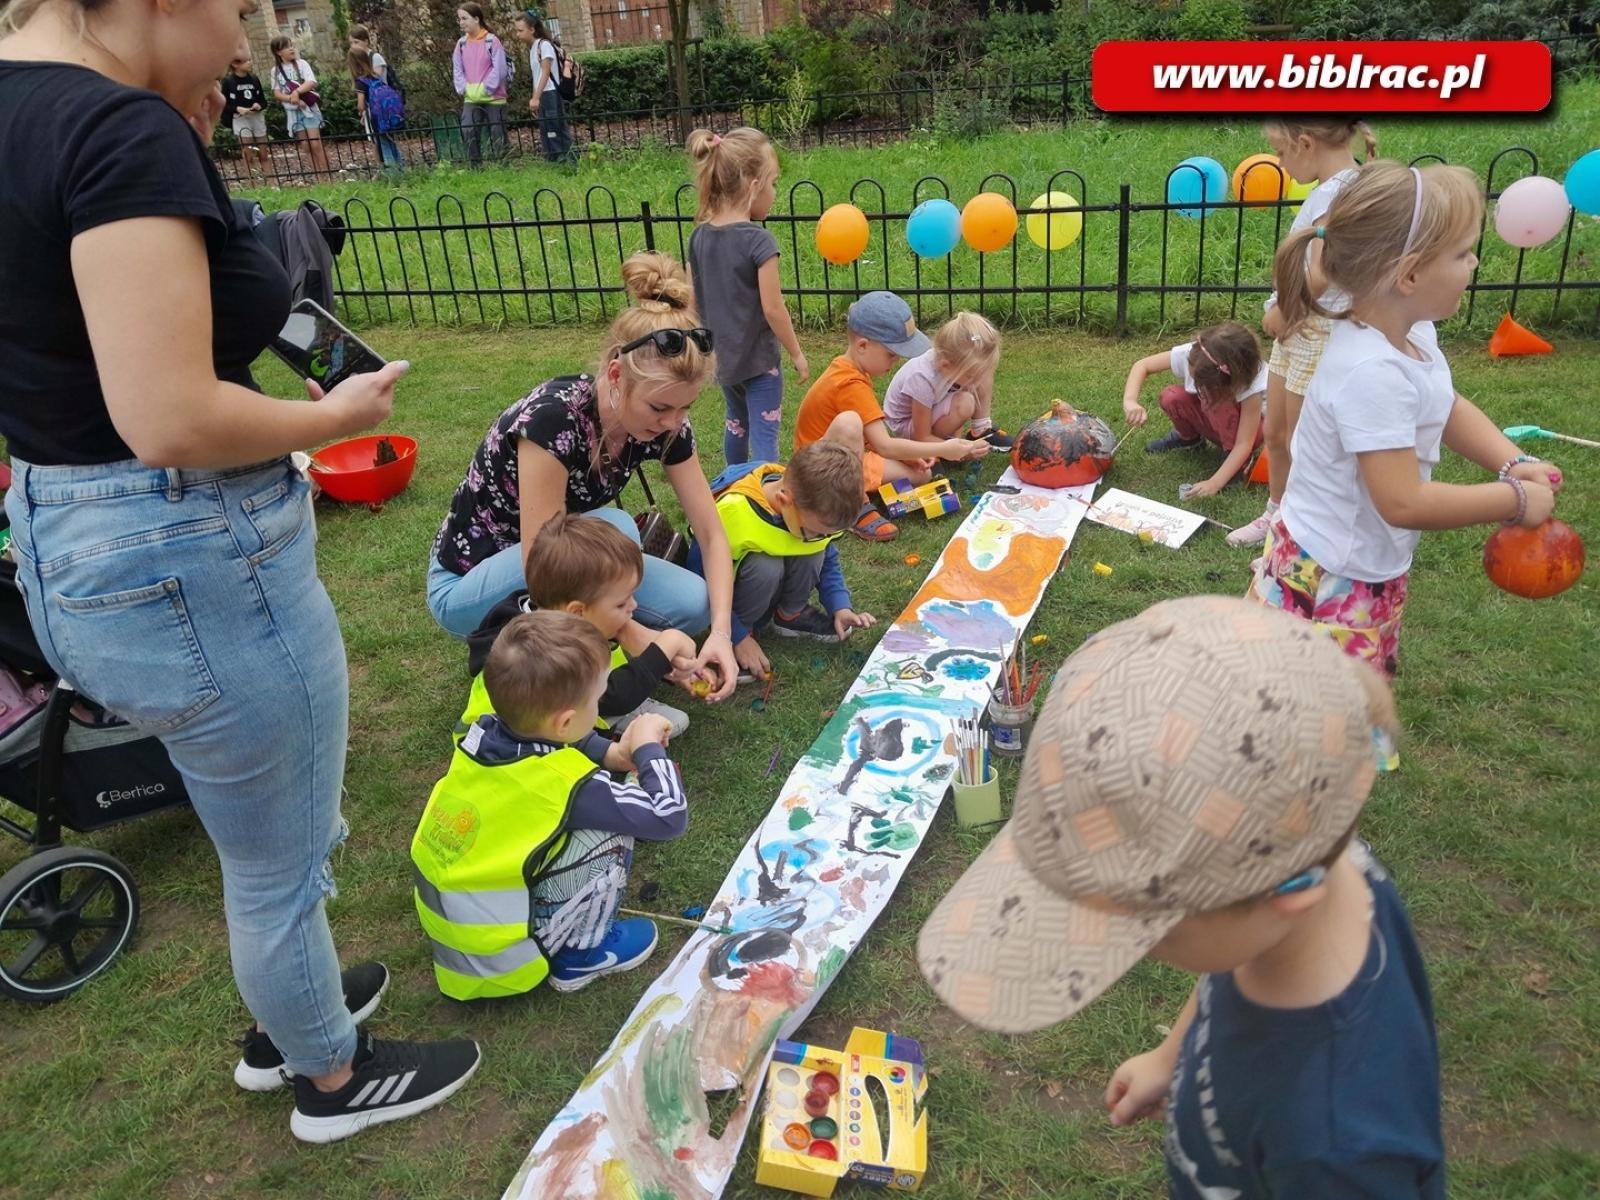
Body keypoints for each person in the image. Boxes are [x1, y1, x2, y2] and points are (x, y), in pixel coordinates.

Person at [0, 0, 477, 1144]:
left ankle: (297, 1004)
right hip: (186, 552)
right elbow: (166, 416)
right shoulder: (117, 130)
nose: (243, 44)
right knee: (277, 859)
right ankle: (328, 1076)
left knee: (253, 834)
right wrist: (331, 420)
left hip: (64, 540)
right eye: (236, 10)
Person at [919, 596, 1447, 1198]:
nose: (1136, 952)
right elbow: (1235, 958)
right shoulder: (1317, 863)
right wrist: (1172, 1056)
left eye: (1151, 929)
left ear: (1285, 895)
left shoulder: (1334, 1148)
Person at [1250, 160, 1562, 680]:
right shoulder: (1371, 372)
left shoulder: (1410, 338)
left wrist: (1514, 461)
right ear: (1410, 273)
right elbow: (1402, 500)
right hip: (1333, 576)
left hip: (1362, 565)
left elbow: (1446, 406)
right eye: (1462, 253)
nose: (1475, 263)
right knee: (1313, 721)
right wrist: (1516, 499)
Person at [427, 251, 741, 700]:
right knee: (612, 530)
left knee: (695, 604)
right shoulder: (553, 420)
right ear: (616, 374)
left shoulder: (666, 425)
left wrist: (723, 636)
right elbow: (545, 563)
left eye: (684, 407)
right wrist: (637, 637)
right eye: (659, 407)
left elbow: (711, 533)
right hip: (475, 581)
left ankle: (596, 646)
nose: (673, 422)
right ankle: (591, 683)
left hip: (570, 560)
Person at [413, 611, 687, 999]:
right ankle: (582, 952)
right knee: (610, 833)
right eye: (598, 698)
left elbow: (559, 742)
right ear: (566, 721)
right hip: (504, 960)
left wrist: (611, 752)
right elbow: (667, 816)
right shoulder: (562, 785)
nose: (599, 707)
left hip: (460, 939)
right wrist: (646, 750)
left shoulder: (483, 733)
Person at [1230, 118, 1376, 548]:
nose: (1279, 161)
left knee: (1299, 441)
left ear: (1305, 143)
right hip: (1297, 329)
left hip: (1313, 330)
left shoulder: (1341, 192)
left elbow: (1322, 273)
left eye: (1280, 151)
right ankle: (1276, 515)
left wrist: (1283, 311)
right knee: (1274, 432)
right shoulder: (1326, 189)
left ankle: (1296, 532)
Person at [464, 513, 701, 738]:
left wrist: (665, 667)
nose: (634, 605)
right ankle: (606, 720)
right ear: (577, 612)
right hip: (510, 754)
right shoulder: (543, 654)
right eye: (621, 603)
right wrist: (666, 645)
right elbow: (613, 696)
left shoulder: (544, 608)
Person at [793, 290, 985, 543]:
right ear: (863, 346)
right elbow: (884, 444)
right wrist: (945, 448)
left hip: (843, 456)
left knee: (922, 475)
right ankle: (855, 507)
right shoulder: (850, 383)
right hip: (815, 473)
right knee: (849, 423)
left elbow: (872, 439)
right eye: (891, 354)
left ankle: (869, 493)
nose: (895, 362)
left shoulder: (852, 369)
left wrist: (912, 456)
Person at [689, 438, 876, 683]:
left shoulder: (808, 512)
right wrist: (736, 635)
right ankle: (742, 637)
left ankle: (790, 615)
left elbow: (825, 551)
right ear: (785, 502)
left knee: (811, 549)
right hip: (731, 603)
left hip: (769, 589)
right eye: (817, 531)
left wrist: (840, 606)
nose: (821, 538)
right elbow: (698, 576)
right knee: (766, 565)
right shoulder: (733, 514)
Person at [684, 126, 809, 468]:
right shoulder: (759, 242)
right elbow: (773, 309)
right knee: (765, 434)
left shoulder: (699, 237)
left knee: (736, 424)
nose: (774, 192)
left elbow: (690, 302)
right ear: (754, 187)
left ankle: (733, 488)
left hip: (723, 361)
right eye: (773, 183)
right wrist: (796, 352)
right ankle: (766, 497)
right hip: (759, 362)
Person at [1121, 320, 1267, 500]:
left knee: (1217, 403)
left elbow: (1244, 443)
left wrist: (1214, 483)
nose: (1191, 377)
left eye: (1201, 382)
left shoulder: (1251, 384)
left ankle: (1237, 464)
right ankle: (1189, 440)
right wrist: (1130, 401)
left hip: (1250, 431)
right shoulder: (1195, 353)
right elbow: (1142, 365)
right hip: (1214, 414)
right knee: (1172, 396)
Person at [883, 310, 1012, 451]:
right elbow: (922, 436)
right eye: (970, 376)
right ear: (945, 366)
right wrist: (961, 449)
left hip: (934, 405)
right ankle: (935, 450)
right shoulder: (922, 379)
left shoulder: (952, 365)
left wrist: (958, 440)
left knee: (981, 371)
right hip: (909, 426)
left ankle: (981, 429)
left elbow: (969, 379)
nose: (977, 382)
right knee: (965, 403)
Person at [513, 11, 575, 165]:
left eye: (521, 30)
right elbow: (537, 76)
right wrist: (535, 98)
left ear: (532, 29)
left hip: (550, 93)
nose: (518, 34)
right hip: (543, 94)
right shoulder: (533, 48)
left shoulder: (544, 45)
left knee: (555, 128)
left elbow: (545, 73)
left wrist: (536, 97)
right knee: (547, 128)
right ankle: (555, 160)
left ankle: (565, 160)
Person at [452, 3, 508, 167]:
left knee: (498, 133)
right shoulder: (461, 44)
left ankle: (503, 166)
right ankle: (475, 166)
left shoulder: (492, 41)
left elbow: (499, 68)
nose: (461, 23)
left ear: (476, 19)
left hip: (494, 97)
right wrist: (464, 88)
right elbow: (457, 68)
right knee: (468, 129)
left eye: (465, 18)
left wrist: (486, 88)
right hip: (471, 97)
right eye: (459, 19)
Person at [268, 35, 328, 177]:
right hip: (293, 112)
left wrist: (297, 92)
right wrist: (291, 98)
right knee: (306, 146)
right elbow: (276, 92)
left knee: (315, 144)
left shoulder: (302, 64)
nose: (291, 49)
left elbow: (311, 82)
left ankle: (326, 175)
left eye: (291, 45)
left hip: (309, 109)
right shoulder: (275, 71)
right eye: (286, 46)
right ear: (278, 52)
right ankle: (317, 175)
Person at [348, 45, 404, 171]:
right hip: (387, 114)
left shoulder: (360, 81)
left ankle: (393, 172)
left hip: (376, 117)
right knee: (391, 141)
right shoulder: (374, 76)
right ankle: (401, 168)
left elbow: (361, 103)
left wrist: (361, 112)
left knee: (383, 144)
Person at [220, 52, 267, 178]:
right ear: (235, 64)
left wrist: (259, 105)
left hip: (256, 117)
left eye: (250, 60)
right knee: (248, 152)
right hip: (240, 119)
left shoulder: (254, 79)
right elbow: (224, 104)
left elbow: (263, 101)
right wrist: (237, 108)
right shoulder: (228, 82)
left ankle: (270, 179)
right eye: (247, 61)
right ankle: (252, 181)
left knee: (263, 152)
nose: (250, 63)